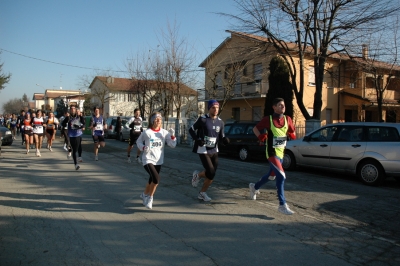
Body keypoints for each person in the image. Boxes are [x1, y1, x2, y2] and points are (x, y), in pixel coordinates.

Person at [249, 97, 296, 215]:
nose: (283, 106)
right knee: (281, 176)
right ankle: (282, 204)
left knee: (271, 176)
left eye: (283, 104)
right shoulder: (268, 119)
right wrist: (261, 136)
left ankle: (254, 187)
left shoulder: (287, 119)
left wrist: (291, 134)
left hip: (281, 153)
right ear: (274, 107)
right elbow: (255, 129)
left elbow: (292, 132)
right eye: (280, 105)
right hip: (271, 153)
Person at [189, 99, 230, 202]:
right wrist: (197, 140)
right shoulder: (202, 119)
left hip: (214, 150)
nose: (215, 109)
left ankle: (201, 191)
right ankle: (198, 179)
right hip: (203, 150)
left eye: (217, 107)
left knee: (212, 174)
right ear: (209, 109)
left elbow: (221, 137)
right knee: (210, 172)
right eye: (213, 107)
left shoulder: (220, 122)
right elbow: (191, 129)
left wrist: (225, 140)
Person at [137, 112, 176, 209]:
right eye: (156, 118)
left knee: (151, 180)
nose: (158, 120)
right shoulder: (147, 132)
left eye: (160, 119)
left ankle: (144, 194)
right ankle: (150, 198)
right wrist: (142, 147)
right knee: (156, 179)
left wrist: (172, 136)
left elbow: (172, 145)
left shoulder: (164, 132)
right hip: (148, 159)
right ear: (152, 121)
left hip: (158, 160)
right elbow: (138, 141)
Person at [62, 105, 85, 170]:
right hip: (71, 135)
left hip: (78, 134)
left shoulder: (79, 117)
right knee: (74, 150)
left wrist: (81, 126)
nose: (72, 110)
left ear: (75, 110)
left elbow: (83, 123)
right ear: (70, 110)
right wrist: (66, 123)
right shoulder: (68, 118)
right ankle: (76, 164)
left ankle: (79, 156)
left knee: (78, 146)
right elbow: (63, 124)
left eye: (74, 109)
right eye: (71, 109)